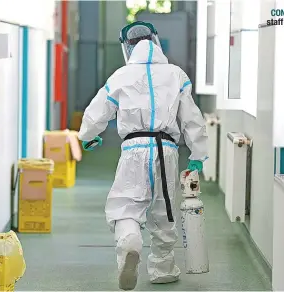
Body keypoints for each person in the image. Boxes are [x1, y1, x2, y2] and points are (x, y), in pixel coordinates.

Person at [78, 21, 208, 291]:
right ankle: (163, 269)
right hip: (168, 149)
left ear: (128, 48)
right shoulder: (176, 74)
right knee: (165, 211)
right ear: (156, 42)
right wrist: (197, 153)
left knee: (125, 204)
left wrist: (88, 136)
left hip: (133, 149)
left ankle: (129, 241)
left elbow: (98, 109)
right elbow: (192, 118)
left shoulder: (121, 76)